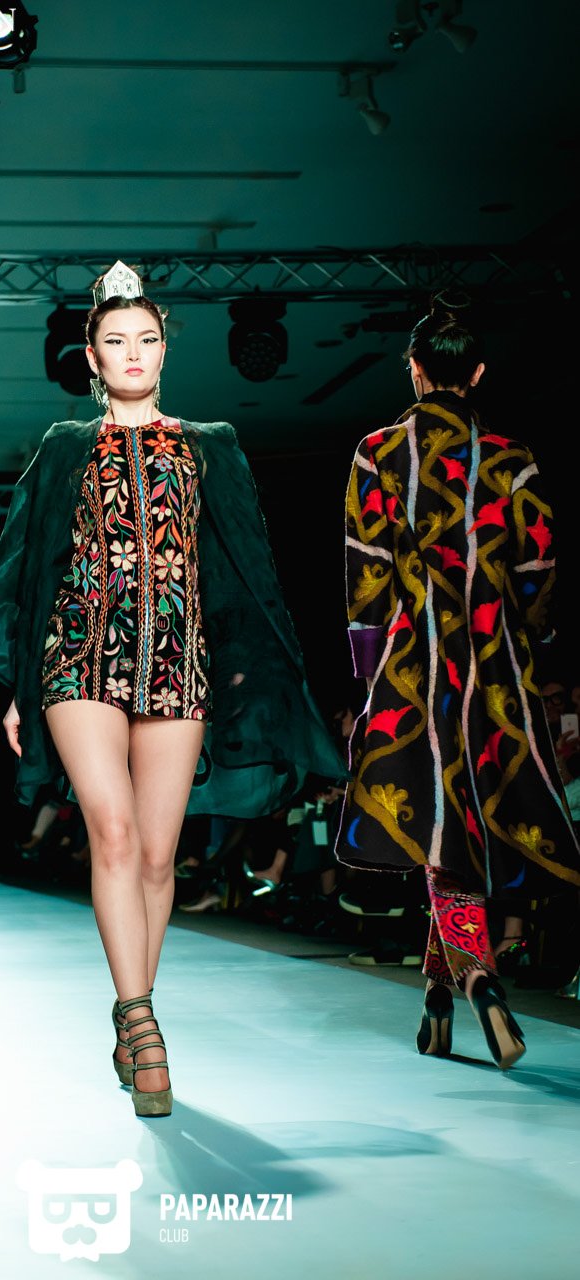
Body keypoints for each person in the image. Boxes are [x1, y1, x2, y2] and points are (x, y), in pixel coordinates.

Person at [0, 261, 343, 1116]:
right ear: (91, 358)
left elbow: (244, 569)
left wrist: (250, 669)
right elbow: (28, 568)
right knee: (116, 835)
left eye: (146, 339)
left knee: (161, 857)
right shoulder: (64, 447)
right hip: (77, 659)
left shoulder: (211, 445)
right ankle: (142, 1023)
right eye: (115, 340)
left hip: (176, 659)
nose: (133, 352)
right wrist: (20, 688)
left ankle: (132, 1006)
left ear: (165, 349)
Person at [334, 297, 580, 1070]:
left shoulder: (377, 452)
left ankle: (476, 979)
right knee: (469, 825)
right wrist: (533, 648)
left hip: (412, 663)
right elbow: (538, 566)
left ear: (412, 370)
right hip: (497, 664)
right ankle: (436, 1001)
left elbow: (366, 569)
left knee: (441, 829)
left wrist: (366, 678)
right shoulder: (512, 458)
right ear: (475, 373)